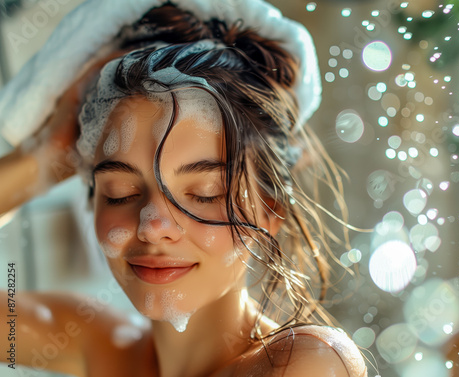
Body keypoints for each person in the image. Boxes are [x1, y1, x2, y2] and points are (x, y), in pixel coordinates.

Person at [0, 0, 368, 376]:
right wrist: (43, 161)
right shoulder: (94, 342)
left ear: (271, 211)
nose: (151, 225)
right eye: (121, 192)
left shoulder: (312, 362)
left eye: (205, 194)